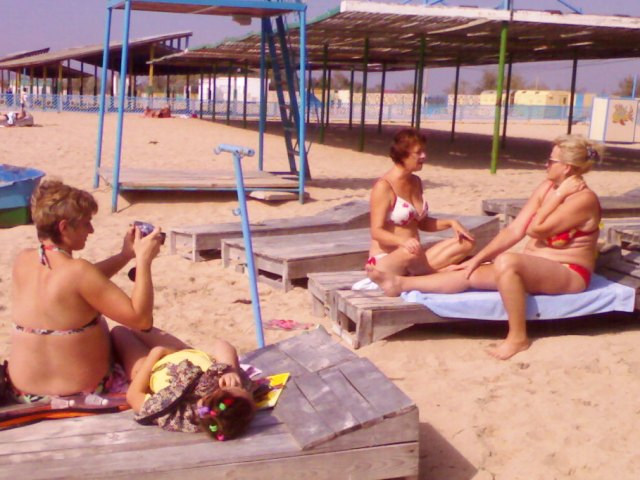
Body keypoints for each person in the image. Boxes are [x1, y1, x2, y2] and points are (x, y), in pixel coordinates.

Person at [367, 134, 603, 360]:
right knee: (468, 272)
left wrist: (558, 195)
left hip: (568, 272)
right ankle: (400, 284)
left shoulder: (583, 199)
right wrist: (477, 259)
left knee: (507, 261)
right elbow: (514, 230)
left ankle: (518, 337)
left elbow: (535, 229)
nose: (546, 164)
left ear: (567, 168)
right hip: (539, 266)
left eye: (551, 161)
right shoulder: (547, 187)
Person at [7, 180, 163, 402]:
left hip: (26, 392)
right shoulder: (79, 272)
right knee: (127, 336)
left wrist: (124, 256)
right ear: (64, 227)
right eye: (85, 223)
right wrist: (144, 260)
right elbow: (142, 320)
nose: (91, 230)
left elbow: (77, 285)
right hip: (82, 391)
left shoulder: (23, 260)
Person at [112, 327, 256, 438]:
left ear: (220, 393)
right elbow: (222, 344)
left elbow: (133, 396)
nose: (240, 386)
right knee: (139, 324)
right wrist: (230, 369)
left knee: (119, 332)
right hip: (182, 351)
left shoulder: (177, 413)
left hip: (148, 368)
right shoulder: (226, 381)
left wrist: (157, 353)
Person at [368, 128, 475, 276]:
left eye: (423, 151)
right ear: (402, 155)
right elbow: (376, 232)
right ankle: (434, 272)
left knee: (467, 242)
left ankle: (424, 271)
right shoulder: (384, 186)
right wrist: (402, 241)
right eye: (418, 152)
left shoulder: (416, 181)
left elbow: (422, 223)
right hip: (388, 259)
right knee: (408, 254)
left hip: (415, 255)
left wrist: (451, 223)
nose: (424, 156)